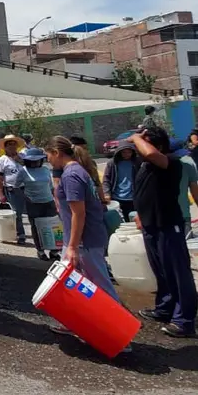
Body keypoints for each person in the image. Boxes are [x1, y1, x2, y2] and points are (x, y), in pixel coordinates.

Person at [44, 136, 129, 352]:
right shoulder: (77, 172)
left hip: (84, 241)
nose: (48, 161)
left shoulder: (72, 176)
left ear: (56, 153)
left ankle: (121, 334)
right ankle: (75, 323)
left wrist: (72, 246)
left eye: (48, 156)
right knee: (75, 284)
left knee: (100, 285)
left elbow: (78, 214)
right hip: (84, 239)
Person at [130, 126, 198, 338]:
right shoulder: (145, 164)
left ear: (158, 146)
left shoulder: (171, 163)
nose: (139, 148)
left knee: (178, 273)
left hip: (169, 225)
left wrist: (135, 137)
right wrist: (140, 215)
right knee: (161, 271)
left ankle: (184, 320)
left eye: (144, 142)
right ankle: (164, 308)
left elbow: (151, 153)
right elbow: (142, 191)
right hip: (150, 225)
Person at [15, 147, 59, 261]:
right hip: (33, 204)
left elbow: (50, 186)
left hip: (48, 201)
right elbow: (16, 186)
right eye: (32, 160)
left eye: (37, 160)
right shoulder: (23, 171)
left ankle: (54, 251)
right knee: (37, 228)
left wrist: (55, 199)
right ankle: (40, 250)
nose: (34, 162)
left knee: (53, 226)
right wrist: (25, 197)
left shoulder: (45, 170)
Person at [169, 138, 198, 231]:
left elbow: (195, 191)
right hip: (161, 216)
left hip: (183, 215)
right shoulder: (152, 168)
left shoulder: (187, 166)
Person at [0, 134, 27, 244]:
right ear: (5, 147)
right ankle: (20, 234)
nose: (12, 147)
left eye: (14, 144)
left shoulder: (22, 157)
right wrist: (1, 194)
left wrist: (20, 160)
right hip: (12, 189)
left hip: (26, 188)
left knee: (28, 212)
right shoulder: (2, 160)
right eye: (9, 145)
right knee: (16, 213)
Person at [102, 141, 140, 222]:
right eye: (124, 152)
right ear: (119, 152)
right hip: (117, 198)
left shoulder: (137, 163)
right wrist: (106, 193)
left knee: (133, 222)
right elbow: (106, 179)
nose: (126, 154)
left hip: (133, 199)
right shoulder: (112, 163)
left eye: (129, 152)